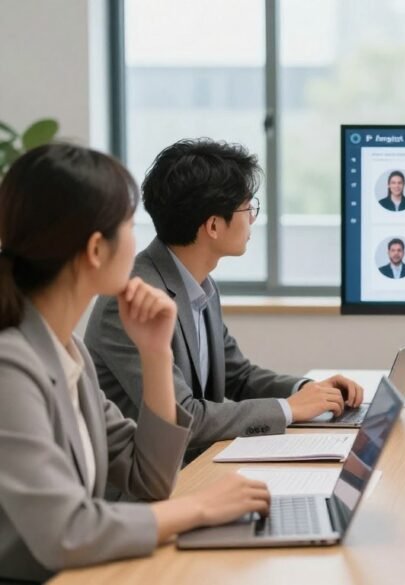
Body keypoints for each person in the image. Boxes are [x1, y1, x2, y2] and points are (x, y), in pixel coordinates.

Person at [0, 144, 271, 582]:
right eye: (128, 224)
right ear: (95, 250)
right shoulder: (10, 367)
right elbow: (67, 531)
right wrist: (201, 507)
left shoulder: (69, 354)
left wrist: (156, 353)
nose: (142, 241)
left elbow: (151, 478)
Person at [85, 139, 363, 461]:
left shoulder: (199, 284)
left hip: (195, 465)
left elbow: (239, 376)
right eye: (248, 208)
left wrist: (307, 390)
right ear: (213, 226)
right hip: (143, 489)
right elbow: (182, 417)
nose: (253, 219)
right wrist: (288, 409)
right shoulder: (134, 302)